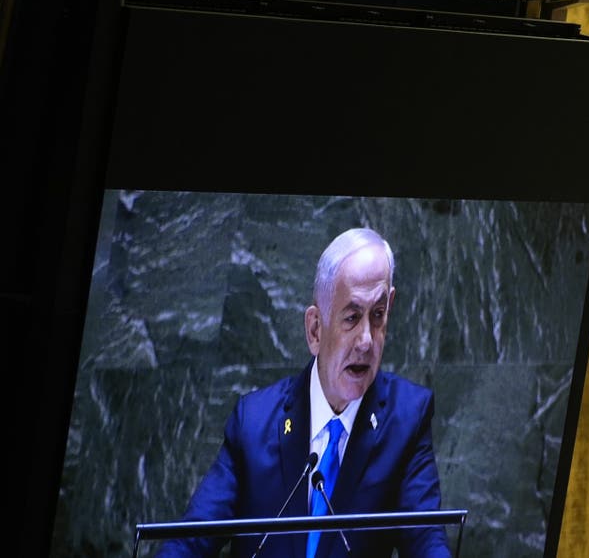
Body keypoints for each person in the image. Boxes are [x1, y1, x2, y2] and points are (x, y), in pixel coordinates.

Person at [157, 228, 452, 558]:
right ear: (315, 329)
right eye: (352, 318)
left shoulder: (407, 417)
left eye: (378, 315)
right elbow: (192, 539)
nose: (367, 340)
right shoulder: (254, 422)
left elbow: (426, 539)